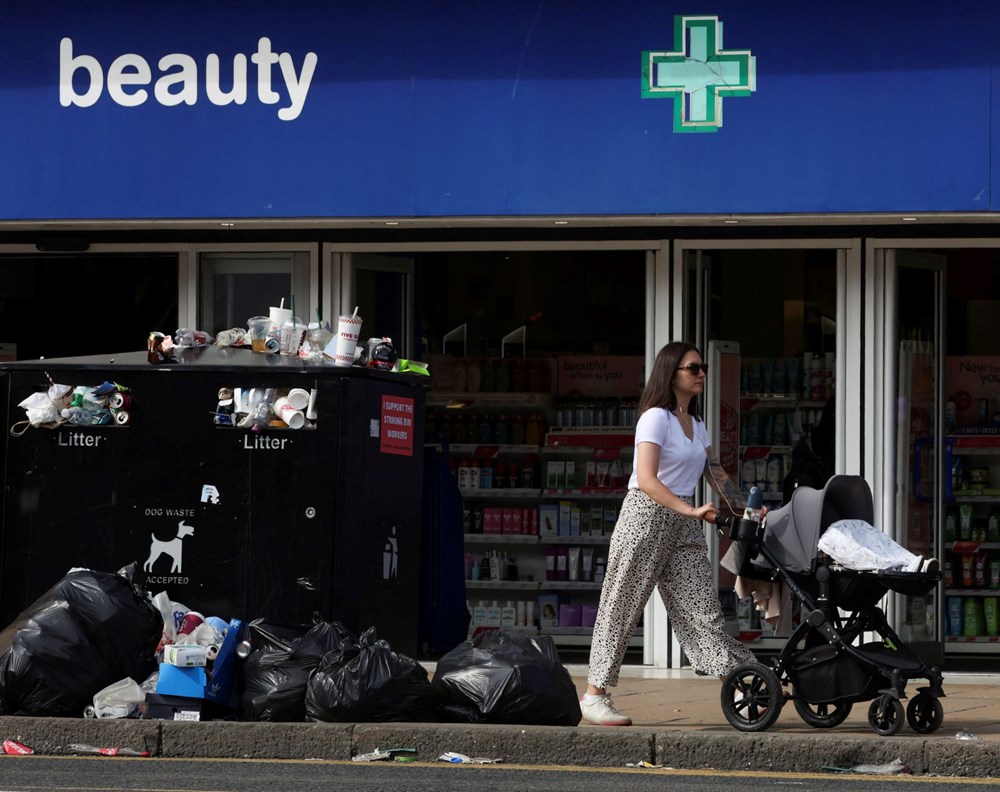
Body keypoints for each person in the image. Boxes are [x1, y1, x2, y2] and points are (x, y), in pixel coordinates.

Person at [580, 341, 757, 726]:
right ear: (671, 373)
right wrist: (691, 509)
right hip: (646, 515)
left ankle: (742, 679)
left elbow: (715, 473)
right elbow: (645, 479)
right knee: (622, 603)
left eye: (702, 367)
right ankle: (595, 695)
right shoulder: (654, 418)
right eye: (693, 368)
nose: (701, 374)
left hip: (683, 521)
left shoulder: (697, 424)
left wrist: (747, 508)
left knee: (703, 610)